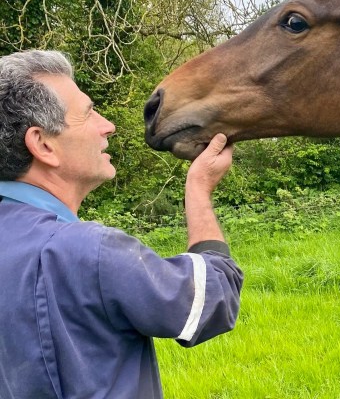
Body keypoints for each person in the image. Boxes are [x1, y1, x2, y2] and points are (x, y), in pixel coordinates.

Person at [0, 50, 243, 398]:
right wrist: (199, 190)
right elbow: (210, 302)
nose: (107, 125)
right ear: (42, 145)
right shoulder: (89, 251)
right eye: (88, 114)